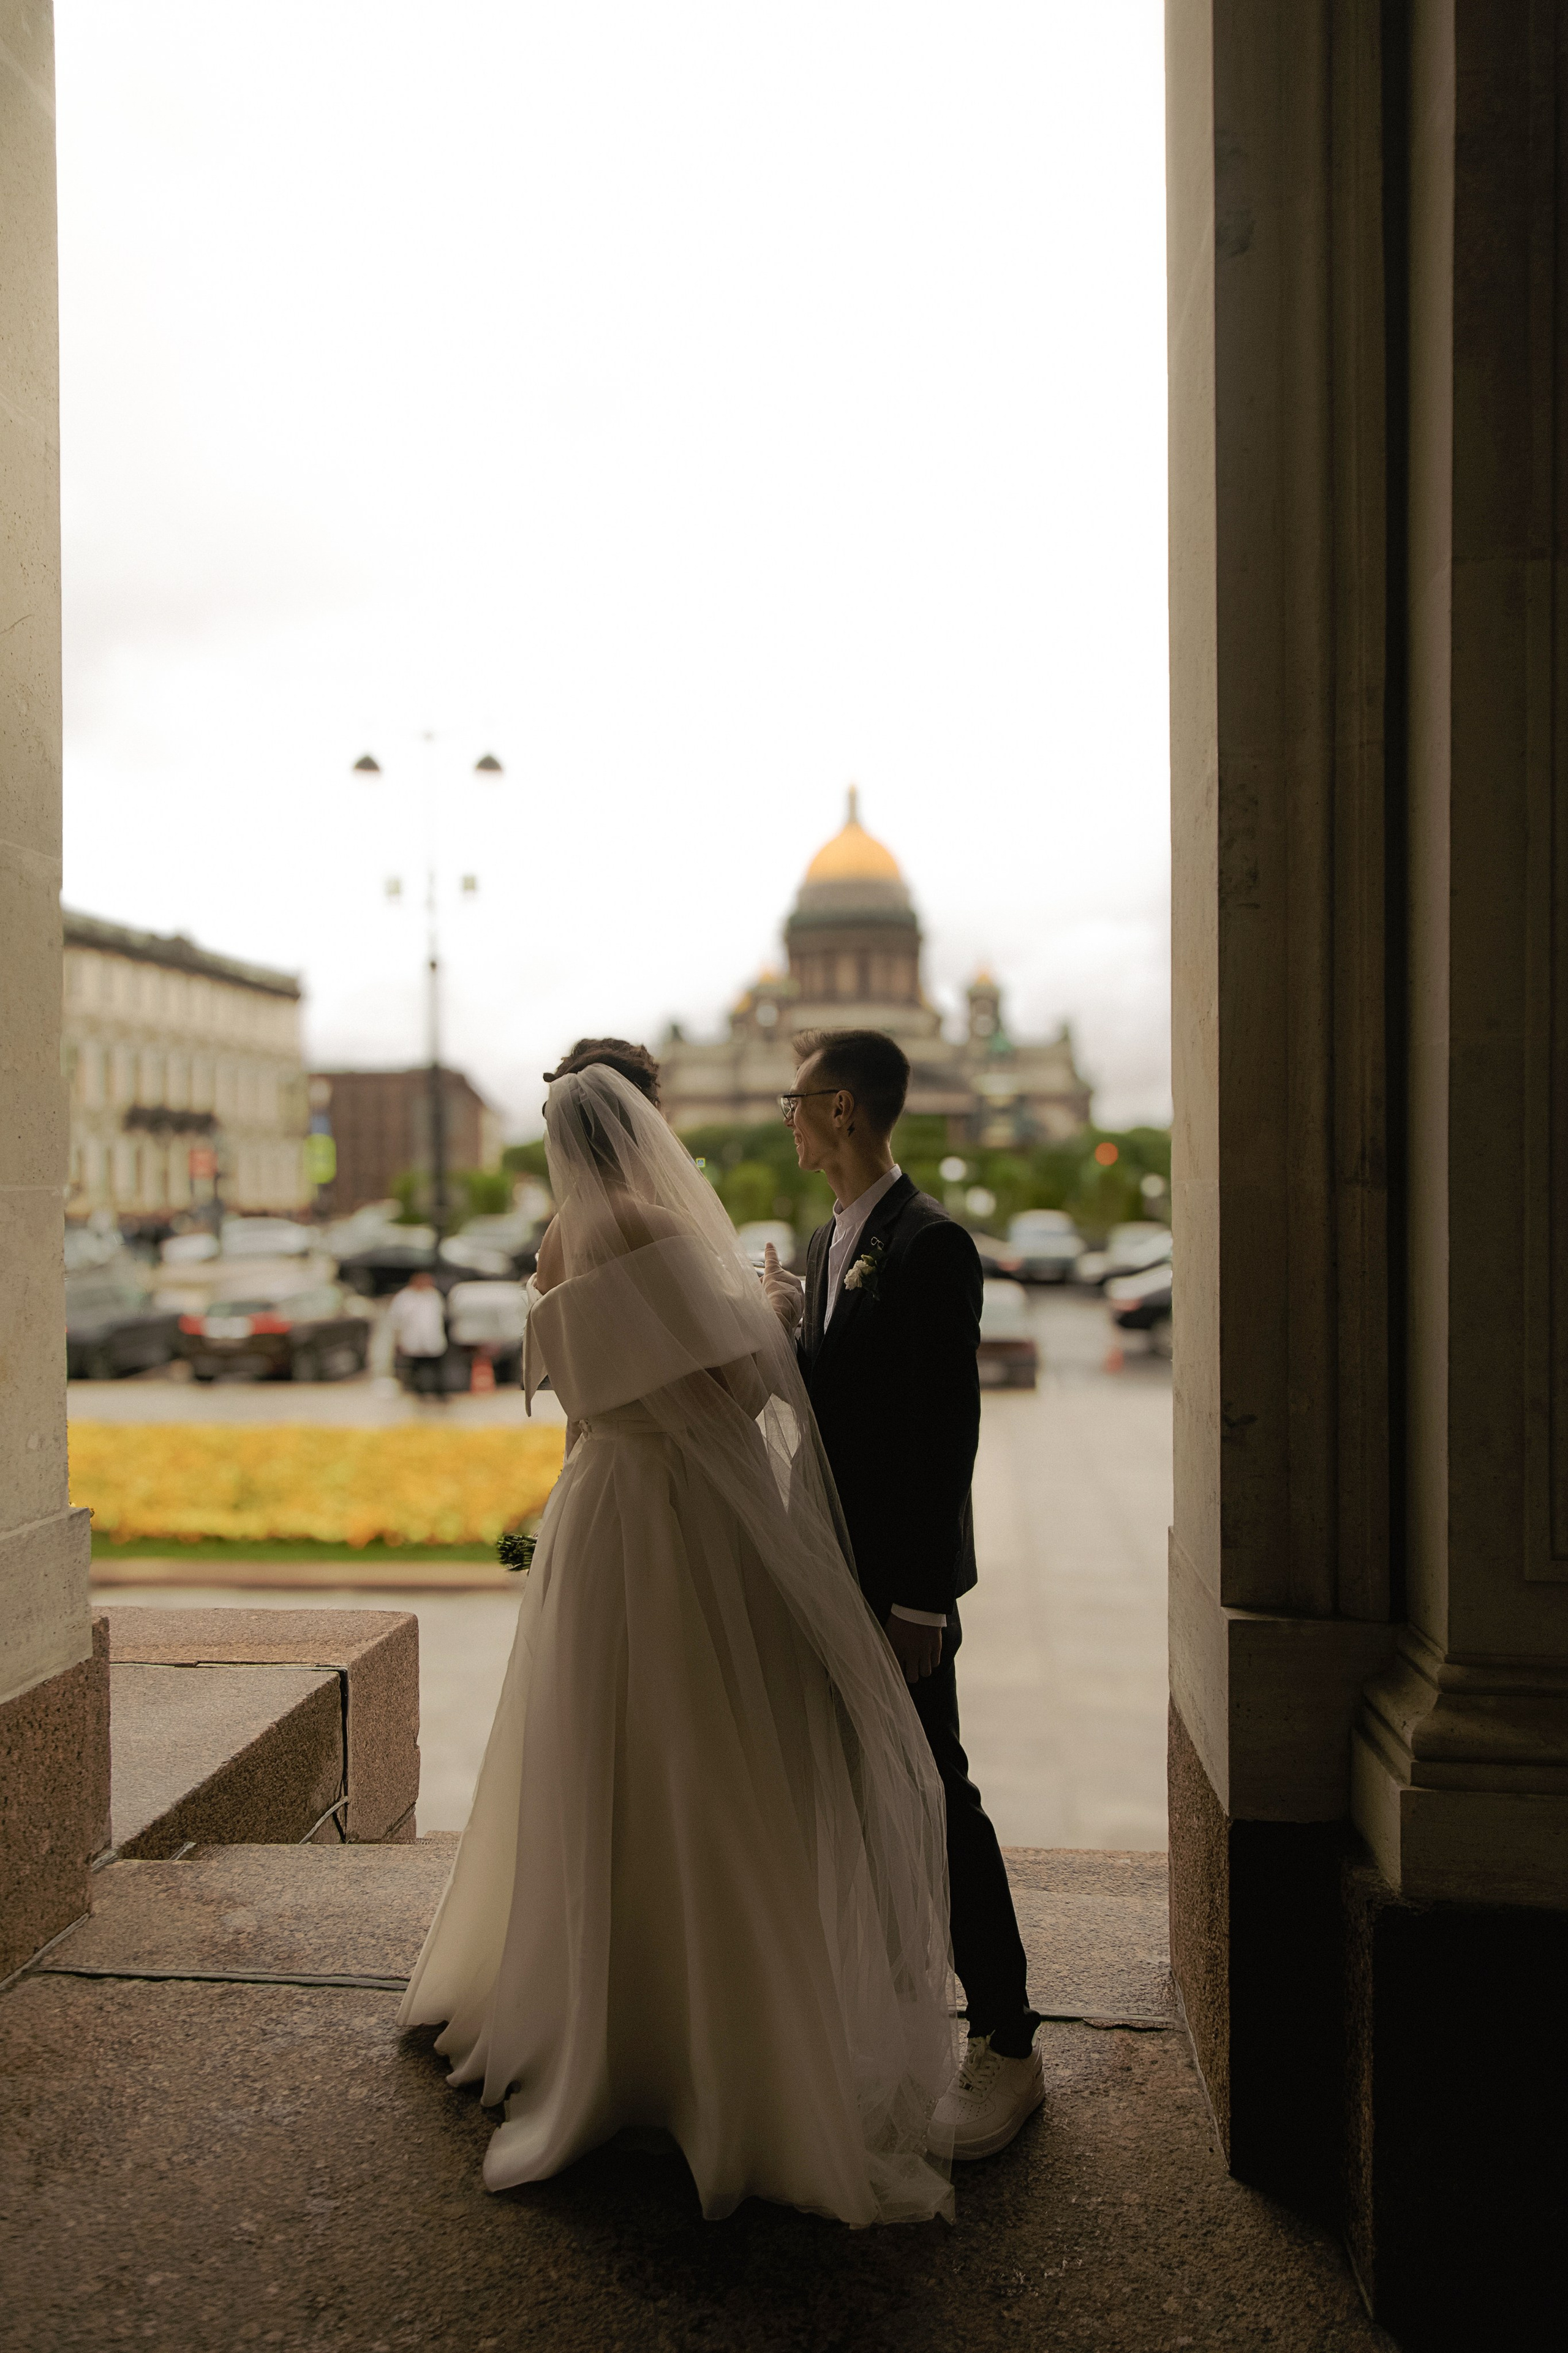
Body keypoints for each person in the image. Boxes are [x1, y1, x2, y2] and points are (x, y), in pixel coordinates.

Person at [398, 1040, 959, 2226]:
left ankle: (599, 2010)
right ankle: (709, 2037)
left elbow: (583, 1401)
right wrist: (775, 1315)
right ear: (640, 1120)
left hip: (599, 1512)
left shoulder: (556, 1242)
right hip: (679, 1521)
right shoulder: (654, 1227)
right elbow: (727, 1400)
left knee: (602, 1759)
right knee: (713, 1759)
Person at [761, 1027, 1044, 2161]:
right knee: (865, 1787)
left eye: (795, 1100)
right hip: (830, 1562)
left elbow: (943, 1432)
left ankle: (1010, 2038)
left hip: (897, 1587)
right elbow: (836, 1400)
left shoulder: (930, 1242)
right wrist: (788, 1325)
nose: (785, 1117)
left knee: (936, 1792)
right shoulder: (828, 1237)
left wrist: (925, 1597)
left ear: (842, 1108)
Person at [387, 1266, 448, 1397]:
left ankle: (439, 1393)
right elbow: (396, 1320)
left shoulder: (434, 1296)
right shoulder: (404, 1297)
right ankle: (419, 1392)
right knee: (415, 1368)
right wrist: (397, 1340)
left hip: (432, 1339)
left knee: (437, 1368)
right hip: (413, 1340)